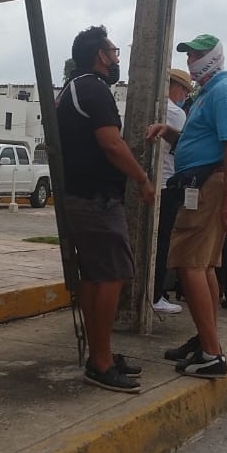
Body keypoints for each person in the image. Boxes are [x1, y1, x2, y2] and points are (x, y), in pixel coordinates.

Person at [57, 25, 156, 393]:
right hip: (95, 198)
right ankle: (100, 363)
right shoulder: (93, 89)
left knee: (97, 276)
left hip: (83, 195)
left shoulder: (73, 88)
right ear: (100, 55)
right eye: (114, 52)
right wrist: (142, 179)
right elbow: (112, 144)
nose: (117, 58)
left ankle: (102, 354)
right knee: (113, 273)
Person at [146, 34, 227, 379]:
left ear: (214, 56)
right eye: (188, 55)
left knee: (189, 265)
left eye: (197, 54)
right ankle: (207, 341)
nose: (191, 61)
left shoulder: (222, 92)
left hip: (208, 188)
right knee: (203, 267)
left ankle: (212, 353)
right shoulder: (206, 93)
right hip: (203, 185)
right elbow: (204, 141)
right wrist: (170, 133)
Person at [152, 68, 193, 316]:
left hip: (146, 181)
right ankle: (156, 293)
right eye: (185, 91)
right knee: (162, 241)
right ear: (177, 88)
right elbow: (183, 148)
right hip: (167, 182)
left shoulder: (150, 107)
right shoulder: (176, 113)